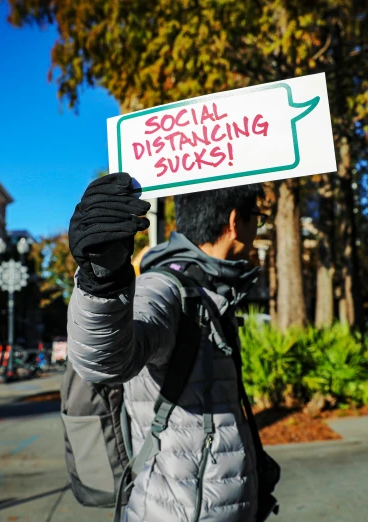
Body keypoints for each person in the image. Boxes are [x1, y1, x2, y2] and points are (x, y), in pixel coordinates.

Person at [67, 173, 278, 522]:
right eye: (259, 217)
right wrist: (101, 278)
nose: (259, 228)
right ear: (235, 221)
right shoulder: (164, 286)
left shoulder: (213, 289)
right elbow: (103, 360)